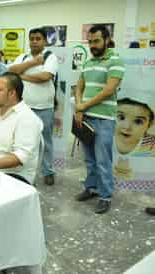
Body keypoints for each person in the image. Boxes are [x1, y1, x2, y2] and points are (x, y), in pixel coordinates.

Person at [74, 25, 125, 214]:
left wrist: (84, 106)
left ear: (106, 39)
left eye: (96, 41)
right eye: (90, 42)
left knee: (103, 159)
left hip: (104, 119)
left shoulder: (115, 61)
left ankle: (105, 195)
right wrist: (79, 108)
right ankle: (91, 188)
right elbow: (79, 86)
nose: (93, 45)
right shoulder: (88, 62)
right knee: (89, 158)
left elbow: (109, 90)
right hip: (86, 117)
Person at [9, 27, 58, 186]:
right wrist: (33, 63)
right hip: (24, 107)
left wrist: (22, 75)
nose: (34, 41)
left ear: (44, 41)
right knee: (22, 140)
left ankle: (48, 171)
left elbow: (45, 76)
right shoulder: (23, 57)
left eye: (38, 38)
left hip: (44, 107)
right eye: (32, 39)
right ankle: (21, 170)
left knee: (46, 141)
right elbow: (11, 71)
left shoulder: (50, 57)